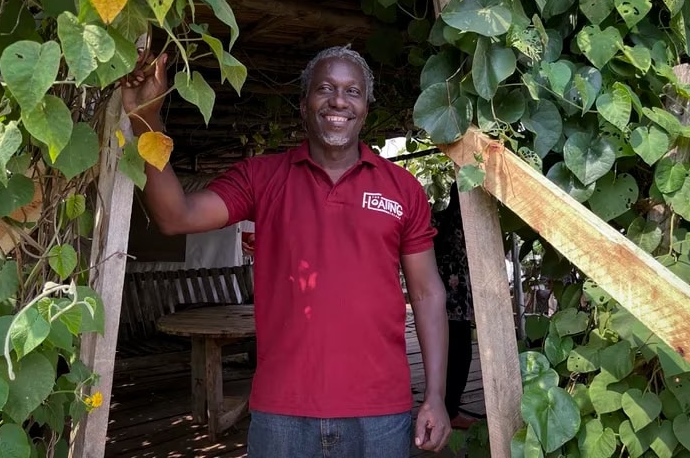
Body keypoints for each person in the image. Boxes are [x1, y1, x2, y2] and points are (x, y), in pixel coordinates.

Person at [122, 45, 451, 457]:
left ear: (366, 107)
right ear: (303, 104)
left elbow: (427, 293)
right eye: (325, 88)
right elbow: (176, 216)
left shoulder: (403, 188)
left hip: (381, 411)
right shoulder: (262, 177)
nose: (338, 100)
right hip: (283, 412)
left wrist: (435, 396)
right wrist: (145, 116)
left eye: (352, 92)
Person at [433, 185, 480, 430]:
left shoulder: (440, 219)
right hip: (455, 304)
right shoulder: (466, 222)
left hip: (443, 303)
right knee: (460, 357)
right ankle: (449, 411)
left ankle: (446, 407)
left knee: (448, 356)